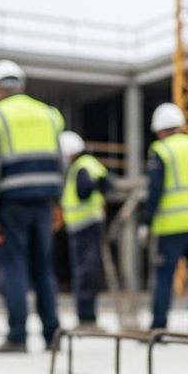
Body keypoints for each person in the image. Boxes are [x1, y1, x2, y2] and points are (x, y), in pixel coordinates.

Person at [0, 59, 64, 352]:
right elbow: (60, 161)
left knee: (14, 268)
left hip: (11, 204)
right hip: (43, 202)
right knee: (43, 268)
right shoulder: (49, 114)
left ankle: (17, 336)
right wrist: (58, 203)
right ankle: (53, 335)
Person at [141, 102, 188, 333]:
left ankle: (159, 326)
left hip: (172, 226)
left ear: (160, 130)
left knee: (165, 277)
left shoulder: (161, 150)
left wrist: (147, 221)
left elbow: (154, 191)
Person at [57, 131, 112, 330]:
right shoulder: (89, 164)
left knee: (84, 272)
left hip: (85, 225)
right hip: (86, 224)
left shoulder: (81, 167)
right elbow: (107, 183)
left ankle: (86, 316)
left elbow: (83, 192)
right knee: (87, 270)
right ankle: (87, 315)